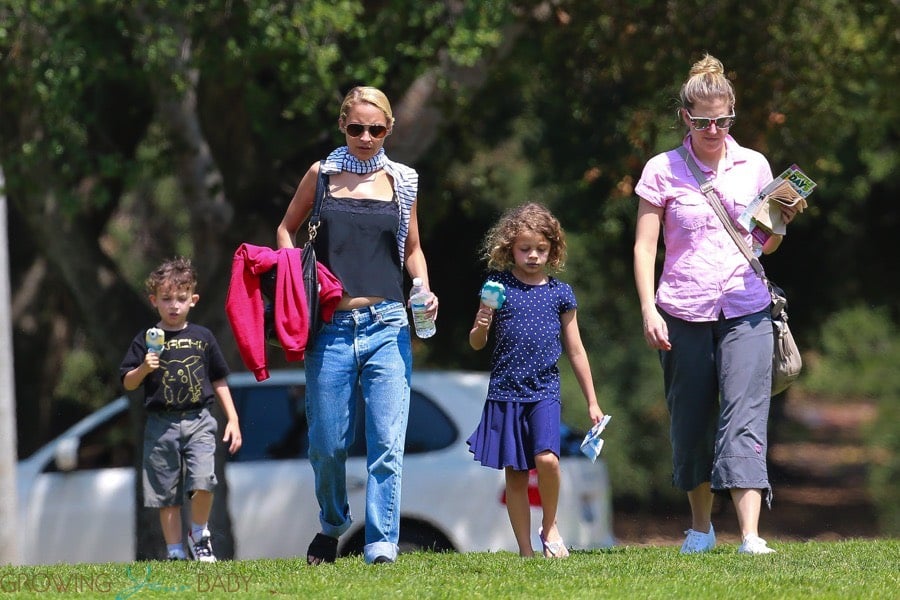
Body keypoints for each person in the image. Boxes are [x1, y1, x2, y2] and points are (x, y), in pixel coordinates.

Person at [633, 54, 802, 555]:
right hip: (682, 308)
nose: (713, 129)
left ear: (733, 115)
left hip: (746, 306)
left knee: (745, 413)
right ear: (685, 117)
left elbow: (763, 244)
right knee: (690, 417)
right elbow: (645, 246)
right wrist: (648, 308)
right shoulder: (660, 169)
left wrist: (783, 220)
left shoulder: (755, 165)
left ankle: (750, 535)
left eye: (723, 120)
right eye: (703, 121)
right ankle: (701, 528)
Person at [276, 86, 437, 566]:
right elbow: (286, 228)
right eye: (356, 128)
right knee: (327, 444)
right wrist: (290, 275)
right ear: (343, 126)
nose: (366, 137)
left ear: (389, 129)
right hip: (329, 326)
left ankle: (381, 543)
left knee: (387, 441)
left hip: (387, 322)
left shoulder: (403, 180)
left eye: (376, 129)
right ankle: (332, 523)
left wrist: (423, 286)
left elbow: (411, 250)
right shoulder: (322, 175)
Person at [467, 202, 605, 558]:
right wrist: (482, 323)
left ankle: (550, 525)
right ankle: (526, 550)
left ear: (553, 250)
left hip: (544, 390)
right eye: (525, 249)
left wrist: (592, 401)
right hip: (506, 391)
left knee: (547, 460)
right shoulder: (497, 287)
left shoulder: (560, 293)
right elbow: (477, 342)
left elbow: (575, 350)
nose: (532, 256)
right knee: (515, 473)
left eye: (541, 249)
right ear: (509, 248)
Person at [120, 257, 242, 561]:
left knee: (204, 481)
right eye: (166, 299)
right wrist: (144, 369)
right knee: (166, 494)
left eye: (181, 298)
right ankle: (175, 552)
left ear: (193, 300)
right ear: (154, 301)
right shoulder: (145, 341)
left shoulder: (203, 338)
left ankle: (199, 535)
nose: (174, 305)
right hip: (161, 424)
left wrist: (233, 418)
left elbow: (218, 378)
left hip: (200, 419)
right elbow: (128, 383)